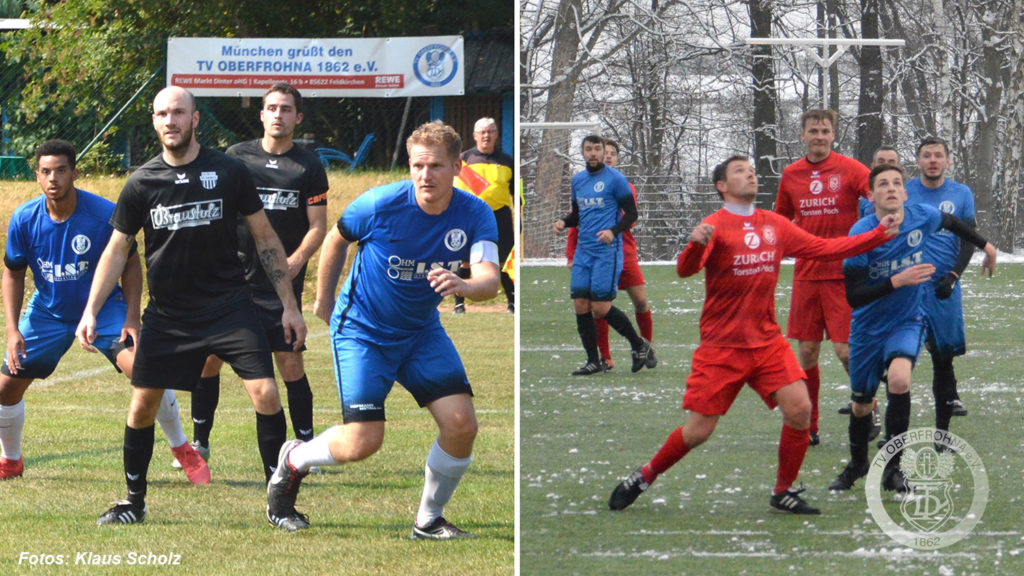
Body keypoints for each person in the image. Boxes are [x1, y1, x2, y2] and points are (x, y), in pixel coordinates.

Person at [608, 155, 898, 515]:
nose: (750, 174)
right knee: (698, 432)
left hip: (766, 341)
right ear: (722, 186)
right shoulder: (714, 224)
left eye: (752, 170)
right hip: (722, 346)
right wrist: (696, 244)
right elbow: (686, 269)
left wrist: (876, 234)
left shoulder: (774, 224)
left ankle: (783, 490)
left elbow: (824, 249)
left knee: (800, 409)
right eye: (740, 171)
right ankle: (645, 475)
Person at [77, 86, 306, 526]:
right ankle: (133, 502)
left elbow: (265, 238)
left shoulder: (228, 171)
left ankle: (280, 505)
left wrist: (289, 306)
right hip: (169, 315)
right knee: (142, 404)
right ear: (154, 121)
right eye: (162, 114)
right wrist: (91, 309)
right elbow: (116, 250)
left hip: (229, 307)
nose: (171, 121)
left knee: (266, 393)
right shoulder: (142, 181)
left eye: (179, 113)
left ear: (195, 119)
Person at [265, 120, 499, 537]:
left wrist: (465, 285)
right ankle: (295, 459)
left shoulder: (476, 213)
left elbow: (490, 280)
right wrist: (324, 301)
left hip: (422, 332)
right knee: (363, 441)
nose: (425, 175)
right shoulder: (379, 203)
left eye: (437, 166)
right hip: (363, 331)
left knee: (462, 425)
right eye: (417, 166)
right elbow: (337, 238)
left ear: (457, 168)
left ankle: (428, 520)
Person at [0, 139, 208, 484]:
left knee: (145, 370)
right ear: (36, 176)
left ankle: (182, 447)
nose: (54, 179)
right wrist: (12, 329)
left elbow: (129, 265)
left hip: (105, 309)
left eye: (61, 171)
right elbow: (13, 272)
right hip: (48, 313)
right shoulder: (24, 219)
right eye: (46, 172)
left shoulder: (103, 215)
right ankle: (10, 460)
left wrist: (131, 317)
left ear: (75, 173)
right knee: (6, 386)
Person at [174, 82, 328, 470]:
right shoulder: (236, 157)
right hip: (231, 282)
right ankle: (200, 443)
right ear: (261, 114)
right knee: (209, 359)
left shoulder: (308, 166)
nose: (278, 114)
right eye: (272, 108)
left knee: (289, 364)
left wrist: (294, 261)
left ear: (298, 117)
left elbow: (318, 227)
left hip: (279, 287)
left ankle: (306, 450)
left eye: (286, 109)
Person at [828, 163, 995, 493]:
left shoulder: (921, 215)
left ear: (904, 192)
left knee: (900, 380)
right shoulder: (860, 232)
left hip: (907, 320)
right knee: (861, 404)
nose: (891, 188)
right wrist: (896, 281)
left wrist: (986, 246)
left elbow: (952, 222)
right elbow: (854, 296)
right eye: (883, 184)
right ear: (872, 195)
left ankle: (893, 468)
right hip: (867, 328)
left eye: (896, 183)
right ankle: (858, 463)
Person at [774, 109, 873, 446]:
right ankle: (809, 423)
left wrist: (880, 224)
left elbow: (875, 193)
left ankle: (867, 407)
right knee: (807, 353)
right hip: (807, 273)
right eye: (813, 130)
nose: (819, 136)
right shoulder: (791, 174)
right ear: (802, 135)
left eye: (825, 131)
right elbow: (781, 221)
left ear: (833, 136)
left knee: (846, 351)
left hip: (845, 274)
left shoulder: (850, 169)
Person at [552, 135, 655, 376]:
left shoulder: (616, 179)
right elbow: (578, 215)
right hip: (583, 252)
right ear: (583, 153)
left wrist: (612, 231)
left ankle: (639, 344)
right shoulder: (578, 181)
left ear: (602, 151)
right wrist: (563, 222)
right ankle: (593, 360)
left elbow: (632, 214)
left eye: (597, 149)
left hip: (606, 252)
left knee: (600, 306)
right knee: (580, 303)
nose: (594, 153)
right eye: (589, 149)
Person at [452, 117, 515, 314]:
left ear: (496, 135)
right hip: (469, 217)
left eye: (490, 132)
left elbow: (516, 192)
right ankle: (459, 304)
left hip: (500, 216)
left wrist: (520, 216)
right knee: (465, 261)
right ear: (475, 135)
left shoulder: (507, 161)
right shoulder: (463, 160)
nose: (486, 136)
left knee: (504, 260)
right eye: (482, 132)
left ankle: (512, 303)